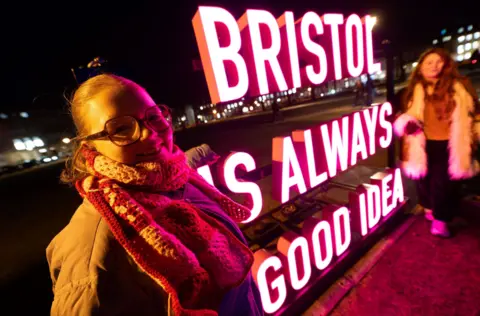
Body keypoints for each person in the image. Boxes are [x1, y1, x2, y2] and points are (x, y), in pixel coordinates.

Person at [46, 74, 263, 315]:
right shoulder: (93, 252)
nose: (149, 134)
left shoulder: (179, 179)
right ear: (89, 146)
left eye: (153, 117)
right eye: (120, 129)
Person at [394, 48, 480, 237]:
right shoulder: (410, 91)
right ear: (421, 67)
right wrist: (406, 123)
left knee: (443, 184)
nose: (434, 66)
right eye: (429, 62)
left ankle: (440, 223)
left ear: (446, 64)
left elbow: (474, 112)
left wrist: (475, 132)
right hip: (422, 143)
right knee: (423, 181)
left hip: (451, 143)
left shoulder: (461, 86)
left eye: (438, 62)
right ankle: (432, 209)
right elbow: (403, 116)